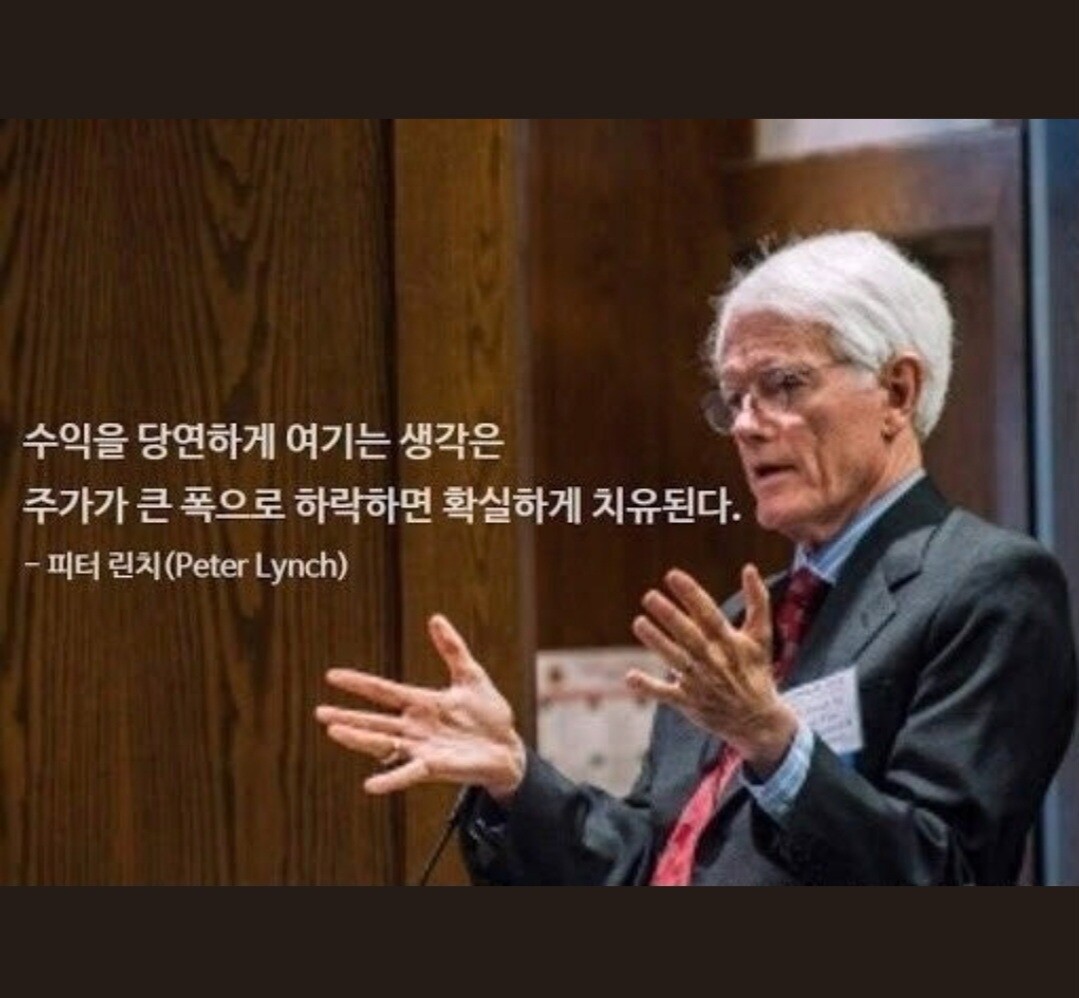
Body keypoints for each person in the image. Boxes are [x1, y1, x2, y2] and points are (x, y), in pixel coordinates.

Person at [315, 231, 1077, 885]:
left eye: (781, 384)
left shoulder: (984, 585)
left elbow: (942, 871)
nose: (746, 425)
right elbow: (654, 858)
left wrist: (773, 743)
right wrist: (515, 777)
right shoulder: (735, 624)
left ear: (897, 392)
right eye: (733, 397)